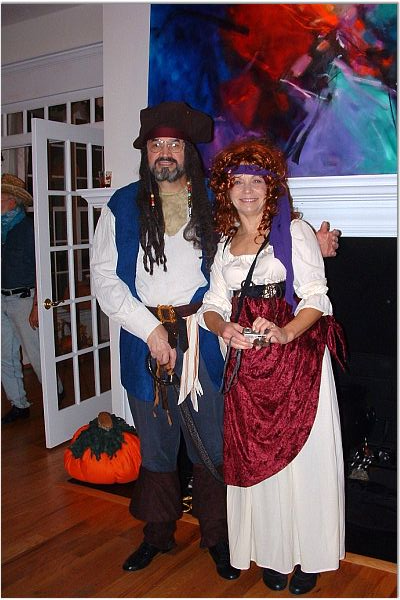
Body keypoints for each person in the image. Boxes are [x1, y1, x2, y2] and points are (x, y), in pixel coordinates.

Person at [90, 101, 341, 580]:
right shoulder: (121, 205)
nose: (165, 152)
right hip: (143, 338)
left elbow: (264, 225)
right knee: (156, 444)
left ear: (188, 151)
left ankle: (219, 537)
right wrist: (148, 329)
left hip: (203, 336)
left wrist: (314, 241)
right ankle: (157, 534)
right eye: (156, 145)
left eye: (174, 144)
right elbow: (104, 278)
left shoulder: (214, 198)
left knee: (213, 442)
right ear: (145, 152)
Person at [198, 138, 346, 595]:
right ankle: (275, 552)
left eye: (256, 181)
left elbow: (316, 298)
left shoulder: (295, 233)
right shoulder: (226, 244)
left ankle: (309, 555)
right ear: (226, 189)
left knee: (302, 463)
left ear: (271, 188)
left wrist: (284, 332)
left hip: (297, 362)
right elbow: (212, 304)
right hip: (248, 367)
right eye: (238, 181)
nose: (247, 190)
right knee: (260, 460)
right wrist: (224, 328)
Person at [1, 174, 40, 424]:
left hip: (24, 299)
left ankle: (55, 395)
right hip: (2, 298)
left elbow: (41, 268)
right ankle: (19, 404)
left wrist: (37, 305)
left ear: (12, 201)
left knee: (36, 355)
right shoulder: (1, 230)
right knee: (5, 355)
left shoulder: (28, 229)